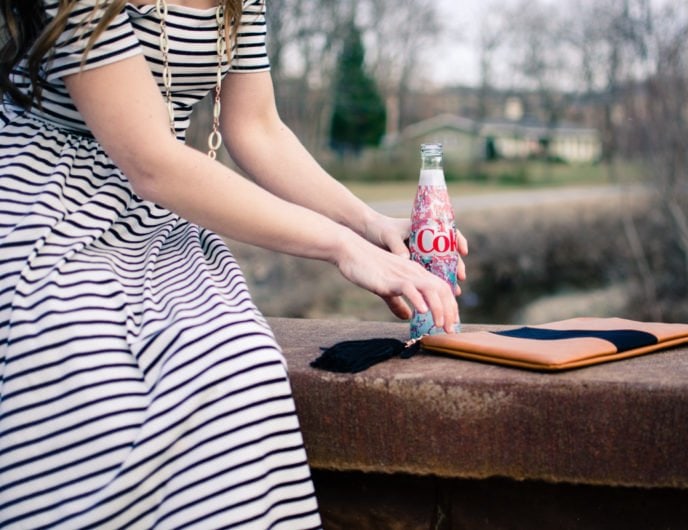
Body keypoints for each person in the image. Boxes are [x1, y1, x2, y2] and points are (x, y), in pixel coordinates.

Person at [0, 0, 466, 528]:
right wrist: (343, 247)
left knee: (240, 365)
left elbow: (258, 128)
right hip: (43, 209)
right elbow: (151, 161)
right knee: (87, 377)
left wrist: (367, 224)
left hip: (153, 224)